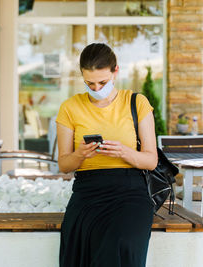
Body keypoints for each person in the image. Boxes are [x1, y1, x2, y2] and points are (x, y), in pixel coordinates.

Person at [56, 43, 157, 267]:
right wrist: (80, 154)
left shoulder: (136, 103)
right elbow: (64, 164)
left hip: (131, 192)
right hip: (87, 192)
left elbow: (151, 160)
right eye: (89, 83)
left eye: (102, 82)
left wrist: (125, 152)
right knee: (78, 250)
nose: (96, 87)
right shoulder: (69, 108)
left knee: (120, 243)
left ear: (115, 72)